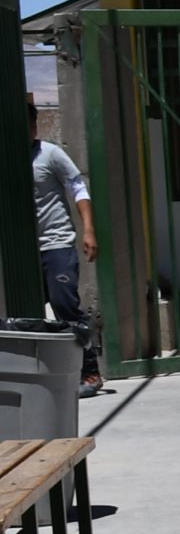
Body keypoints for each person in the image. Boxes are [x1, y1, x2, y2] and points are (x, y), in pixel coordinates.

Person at [27, 94, 105, 396]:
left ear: (35, 127)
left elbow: (78, 186)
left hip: (56, 243)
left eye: (30, 124)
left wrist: (88, 230)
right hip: (24, 253)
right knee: (28, 314)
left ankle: (90, 373)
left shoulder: (50, 154)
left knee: (64, 307)